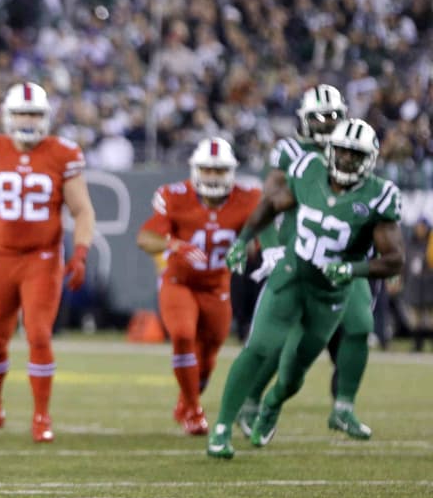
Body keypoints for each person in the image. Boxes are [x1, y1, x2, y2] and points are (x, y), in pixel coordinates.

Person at [208, 119, 403, 459]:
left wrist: (354, 269)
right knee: (259, 347)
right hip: (292, 275)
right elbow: (271, 204)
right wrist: (244, 239)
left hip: (330, 294)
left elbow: (395, 259)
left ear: (370, 159)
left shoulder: (378, 196)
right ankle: (222, 428)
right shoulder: (308, 169)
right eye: (342, 151)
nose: (346, 159)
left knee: (292, 376)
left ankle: (272, 403)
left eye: (355, 154)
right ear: (330, 150)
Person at [234, 84, 377, 439]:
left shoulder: (354, 147)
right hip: (301, 255)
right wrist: (270, 247)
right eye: (319, 117)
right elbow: (268, 204)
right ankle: (251, 401)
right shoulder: (291, 152)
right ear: (303, 119)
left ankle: (343, 407)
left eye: (333, 117)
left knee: (360, 325)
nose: (327, 124)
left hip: (344, 258)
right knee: (279, 338)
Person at [0, 82, 96, 443]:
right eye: (22, 113)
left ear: (45, 117)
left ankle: (41, 416)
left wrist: (81, 252)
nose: (28, 120)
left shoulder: (62, 153)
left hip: (42, 259)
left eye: (34, 114)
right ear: (9, 116)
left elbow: (82, 210)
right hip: (2, 258)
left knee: (38, 334)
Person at [136, 137, 259, 435]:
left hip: (218, 286)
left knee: (208, 355)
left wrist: (249, 248)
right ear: (195, 170)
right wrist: (175, 245)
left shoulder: (249, 198)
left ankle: (186, 401)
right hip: (179, 282)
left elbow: (260, 240)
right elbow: (145, 238)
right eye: (207, 170)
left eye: (219, 171)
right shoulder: (174, 195)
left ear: (231, 172)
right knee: (182, 335)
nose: (212, 176)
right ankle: (193, 409)